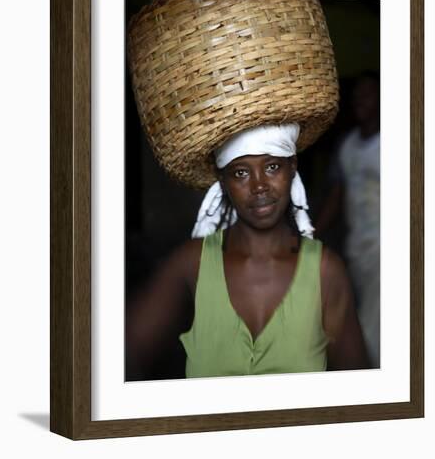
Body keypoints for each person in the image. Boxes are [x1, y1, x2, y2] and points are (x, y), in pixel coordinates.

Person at [126, 124, 369, 378]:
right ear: (223, 181)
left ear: (292, 167)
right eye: (241, 173)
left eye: (272, 167)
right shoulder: (192, 264)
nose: (259, 185)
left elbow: (362, 393)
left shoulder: (325, 272)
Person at [315, 72, 380, 368]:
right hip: (358, 247)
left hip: (389, 247)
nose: (361, 102)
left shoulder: (402, 140)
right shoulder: (348, 146)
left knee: (375, 320)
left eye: (368, 95)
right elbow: (337, 196)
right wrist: (311, 232)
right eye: (356, 97)